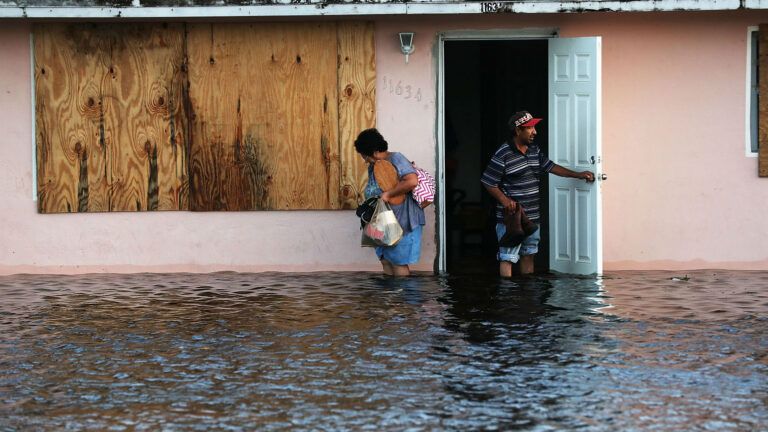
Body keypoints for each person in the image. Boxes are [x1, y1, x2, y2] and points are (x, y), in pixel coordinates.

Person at [481, 111, 595, 277]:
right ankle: (506, 299)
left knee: (529, 254)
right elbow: (488, 181)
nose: (535, 131)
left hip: (532, 217)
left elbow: (550, 166)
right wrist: (505, 200)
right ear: (518, 130)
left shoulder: (534, 150)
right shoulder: (503, 153)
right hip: (511, 218)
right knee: (508, 257)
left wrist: (577, 174)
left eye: (534, 127)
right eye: (530, 128)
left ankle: (528, 297)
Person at [355, 128, 426, 277]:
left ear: (374, 151)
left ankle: (403, 298)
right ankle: (391, 297)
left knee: (398, 261)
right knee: (385, 259)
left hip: (402, 220)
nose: (364, 159)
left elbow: (411, 181)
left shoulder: (396, 159)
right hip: (384, 221)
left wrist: (388, 194)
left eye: (364, 155)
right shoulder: (375, 165)